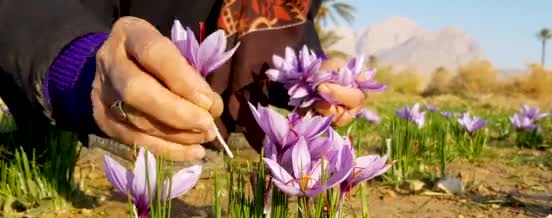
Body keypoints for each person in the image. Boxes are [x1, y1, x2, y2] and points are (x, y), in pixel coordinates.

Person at [0, 1, 367, 161]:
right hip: (92, 89)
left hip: (208, 126)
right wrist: (78, 66)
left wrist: (308, 79)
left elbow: (284, 32)